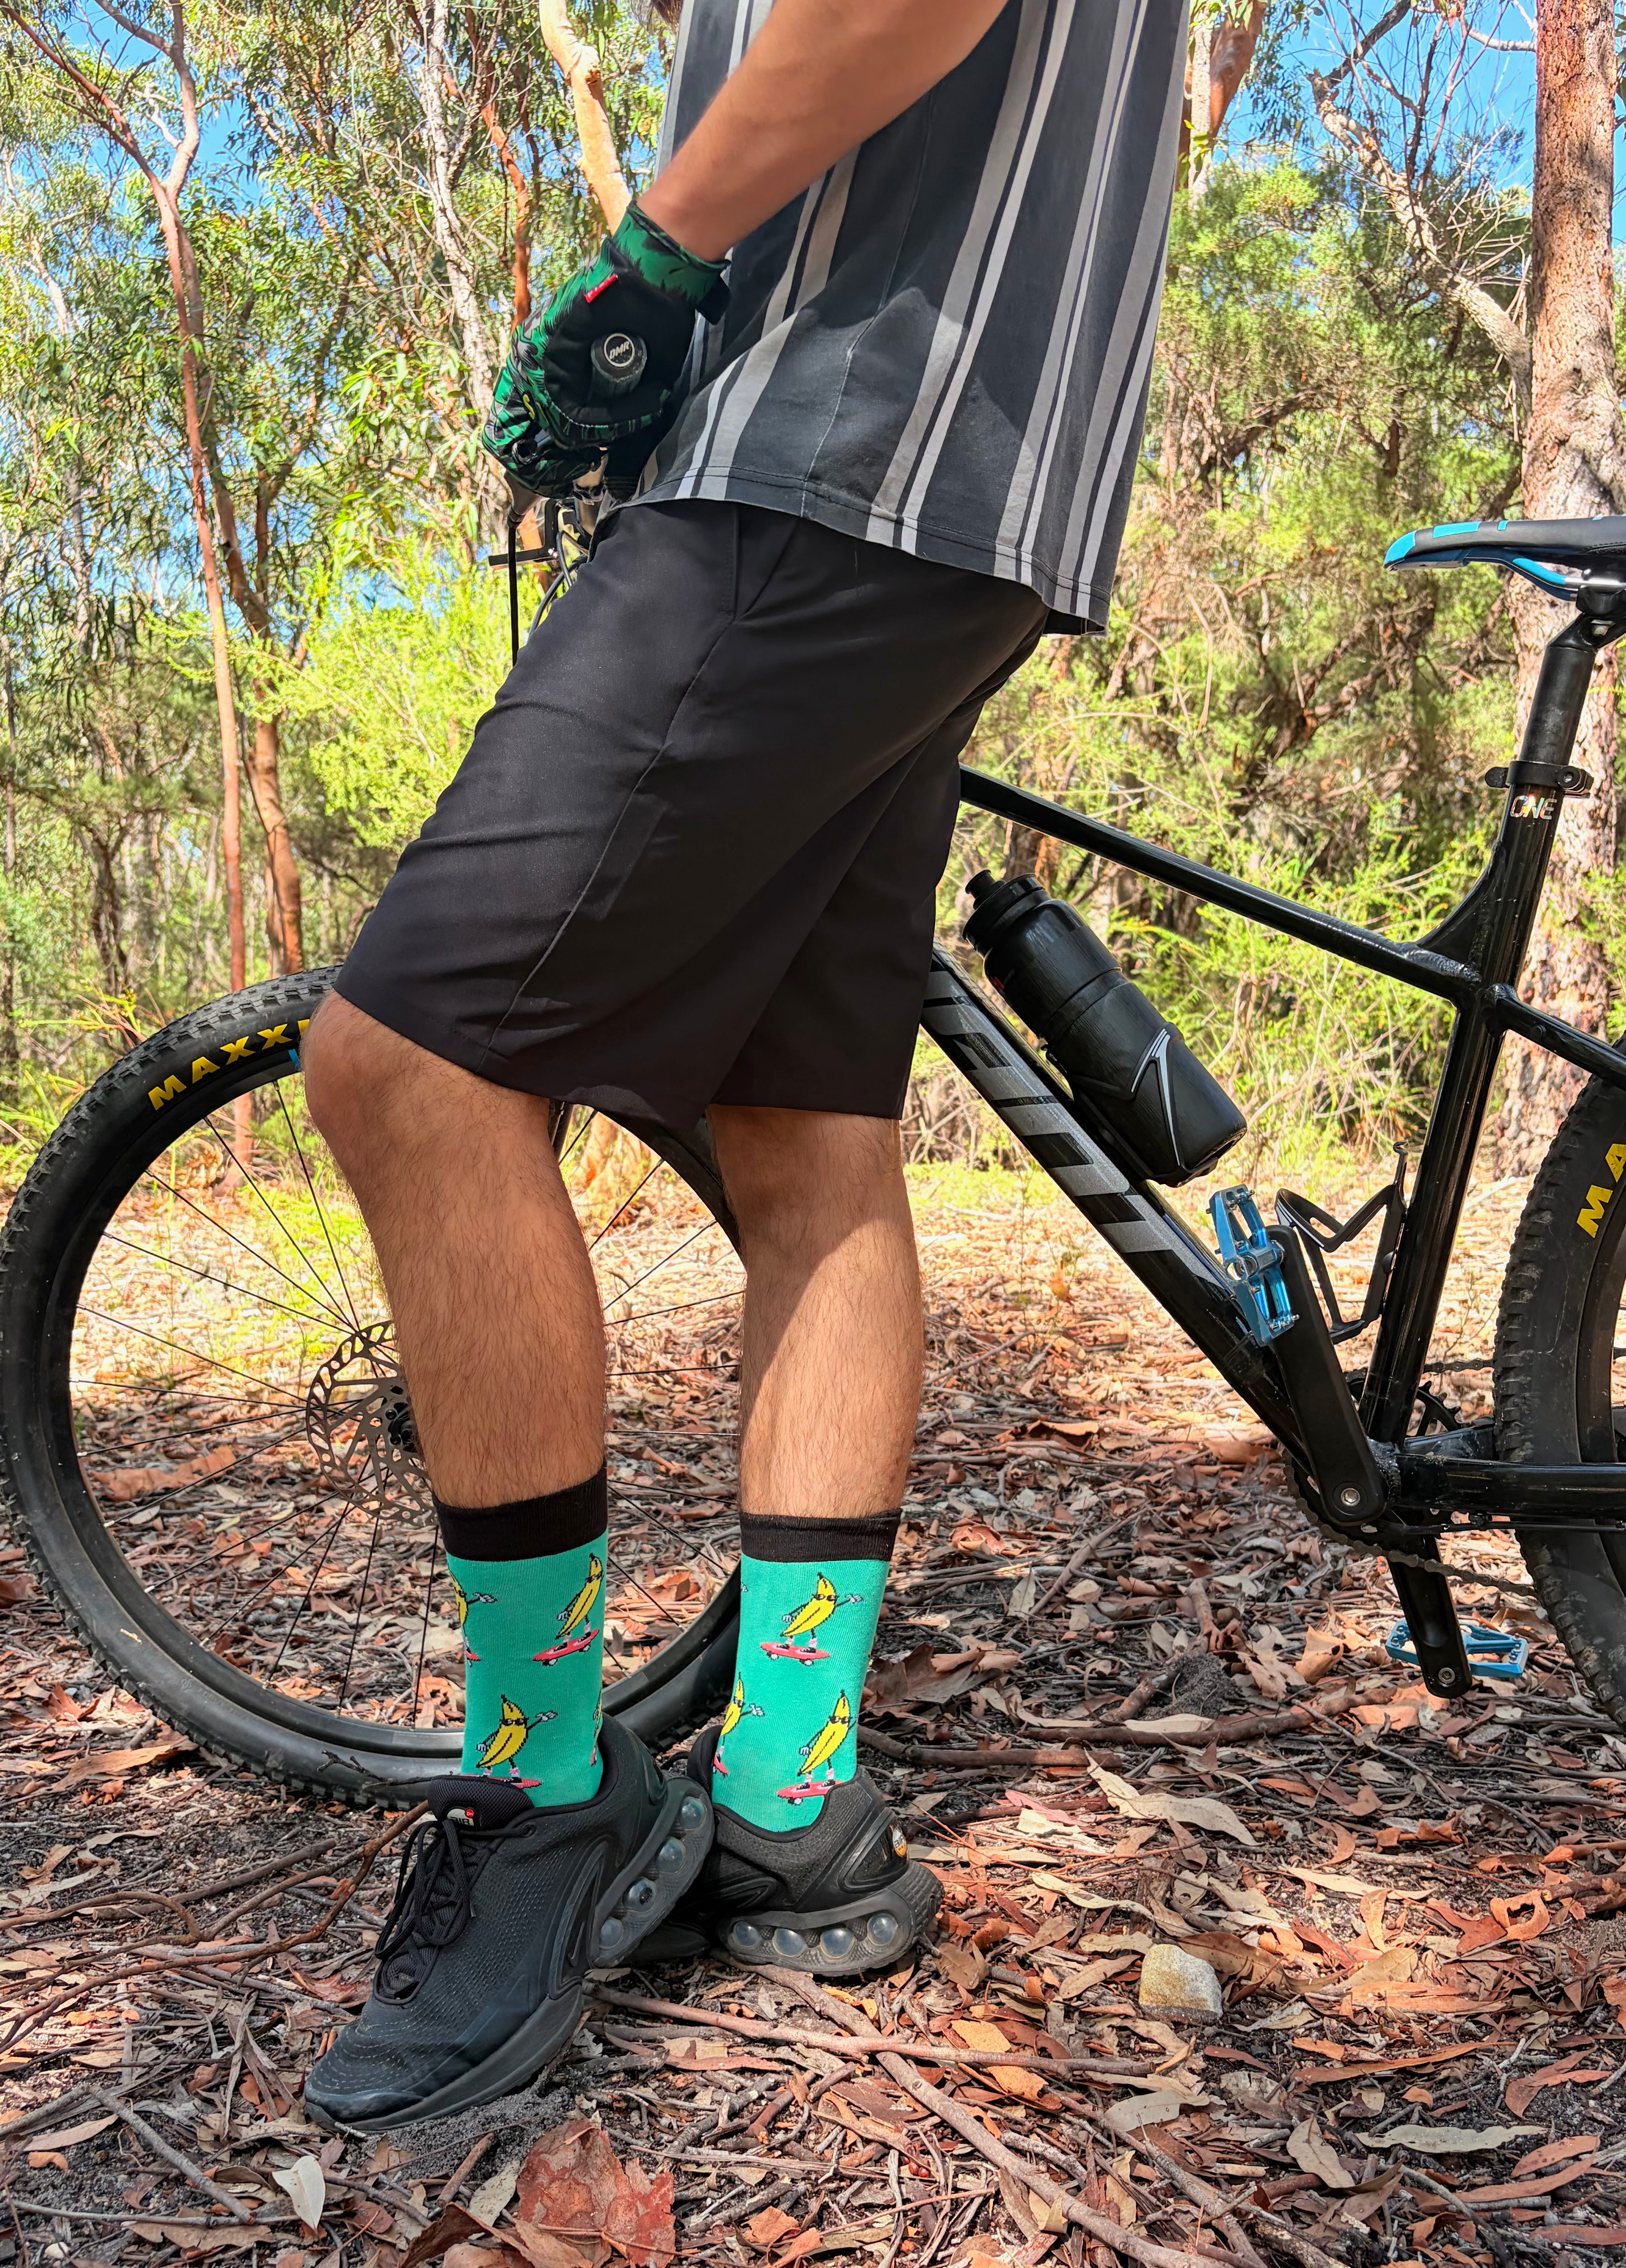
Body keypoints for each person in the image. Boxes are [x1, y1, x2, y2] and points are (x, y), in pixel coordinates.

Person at [301, 0, 1188, 2133]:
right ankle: (792, 1795)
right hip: (974, 473)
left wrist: (652, 257)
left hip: (836, 437)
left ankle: (547, 1796)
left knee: (404, 1069)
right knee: (809, 1143)